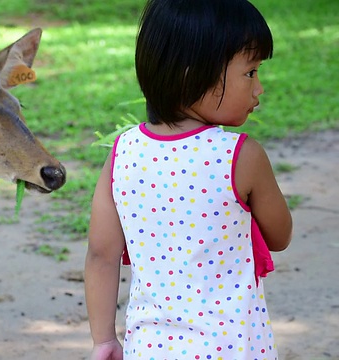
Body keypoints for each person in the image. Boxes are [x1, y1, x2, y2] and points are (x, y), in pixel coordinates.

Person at [84, 0, 293, 359]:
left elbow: (101, 256)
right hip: (230, 348)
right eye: (250, 72)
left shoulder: (122, 153)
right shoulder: (241, 155)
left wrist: (104, 341)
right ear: (192, 73)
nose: (259, 88)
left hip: (148, 348)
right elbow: (280, 235)